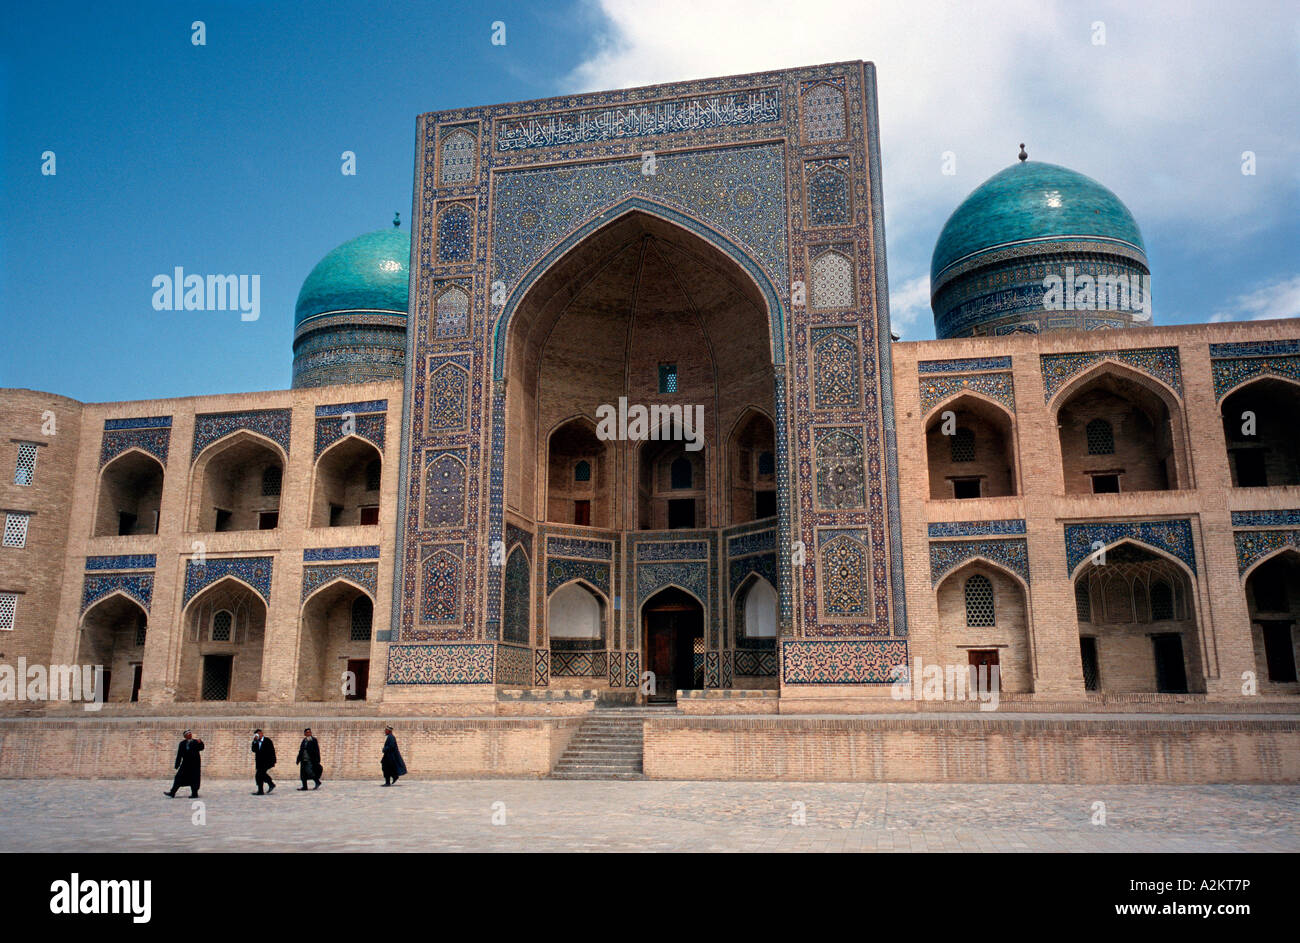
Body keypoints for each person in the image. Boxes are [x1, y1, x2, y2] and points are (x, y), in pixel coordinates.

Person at [164, 730, 203, 798]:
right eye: (188, 734)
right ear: (185, 736)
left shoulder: (195, 742)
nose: (190, 734)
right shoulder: (182, 744)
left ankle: (194, 793)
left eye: (190, 733)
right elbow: (179, 755)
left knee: (194, 779)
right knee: (178, 777)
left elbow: (201, 748)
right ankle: (172, 792)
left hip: (194, 765)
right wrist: (177, 764)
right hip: (185, 764)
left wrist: (201, 743)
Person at [251, 728, 277, 795]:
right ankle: (269, 785)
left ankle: (263, 789)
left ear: (262, 734)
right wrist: (255, 742)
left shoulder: (267, 741)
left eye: (260, 733)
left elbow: (272, 751)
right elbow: (254, 750)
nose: (259, 735)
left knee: (260, 774)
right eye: (257, 734)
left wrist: (273, 761)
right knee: (260, 775)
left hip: (267, 761)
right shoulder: (256, 741)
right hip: (259, 762)